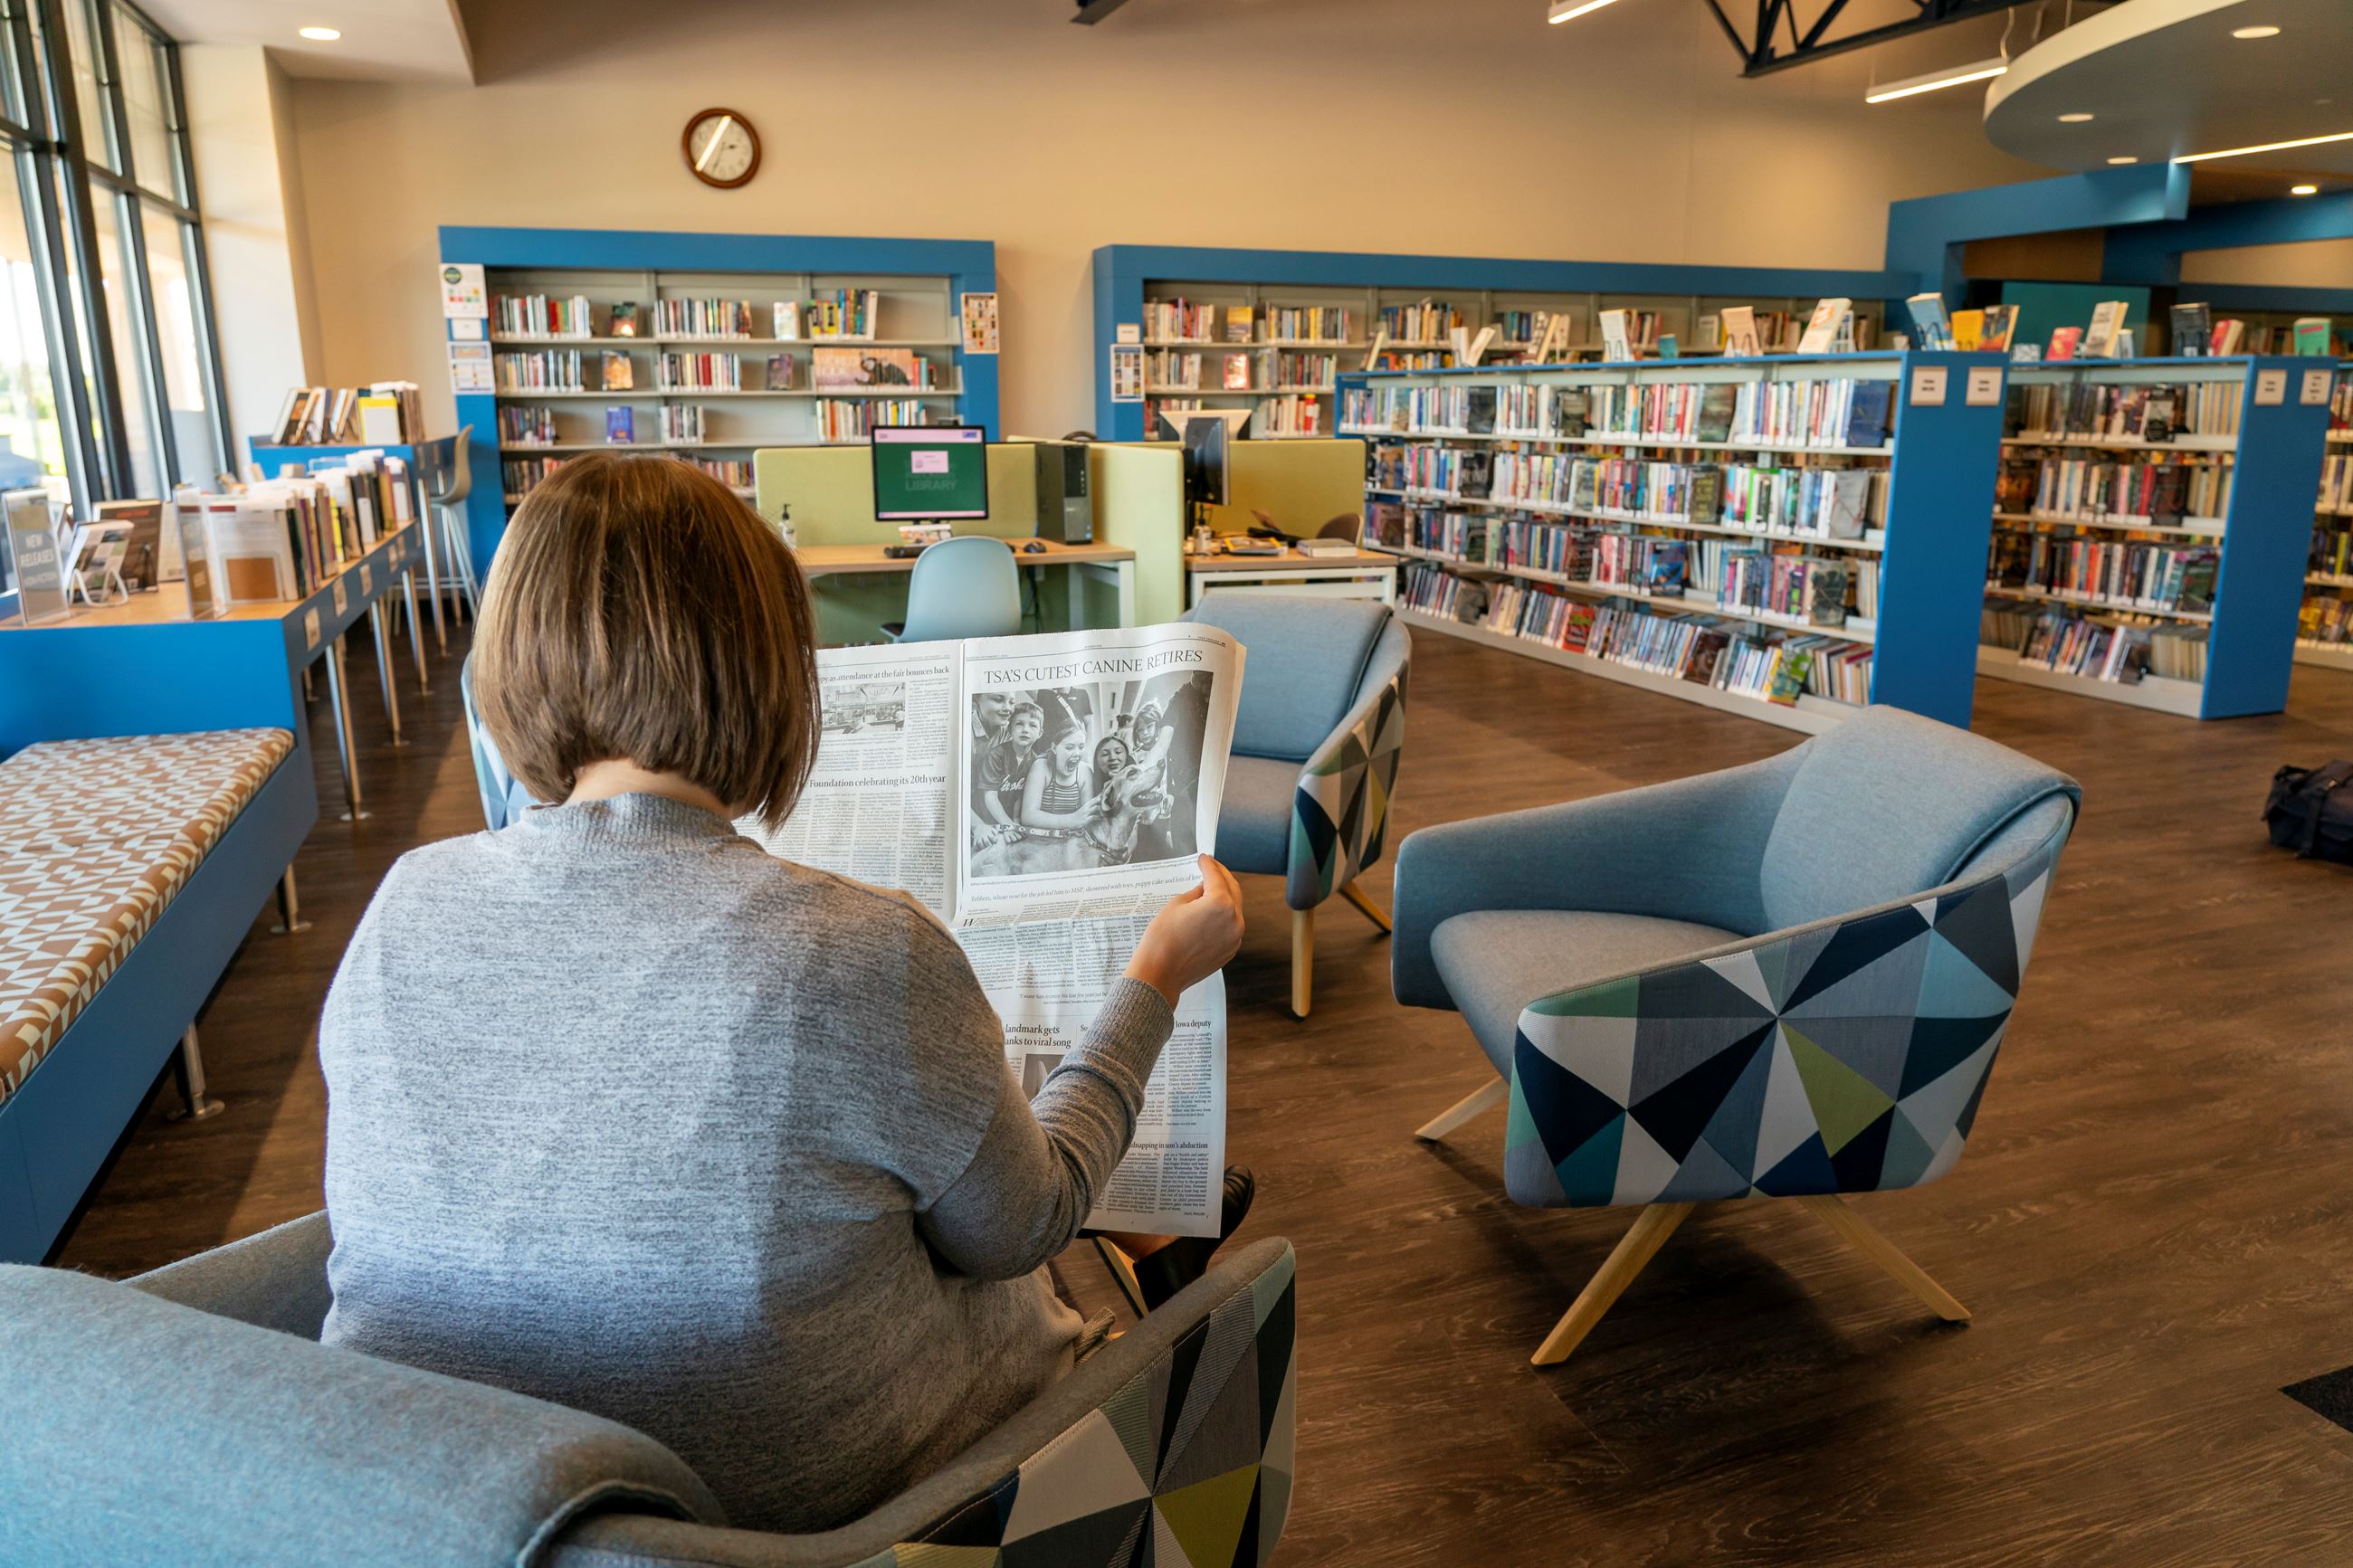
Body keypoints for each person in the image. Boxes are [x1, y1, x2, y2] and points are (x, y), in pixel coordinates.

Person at [315, 453, 1249, 1537]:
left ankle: (1154, 1237)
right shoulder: (857, 950)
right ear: (765, 665)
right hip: (836, 1521)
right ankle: (1162, 1246)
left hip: (448, 1503)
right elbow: (1023, 1226)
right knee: (1029, 1216)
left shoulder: (405, 898)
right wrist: (1154, 977)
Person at [1020, 720, 1103, 832]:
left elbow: (1085, 818)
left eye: (1081, 747)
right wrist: (1071, 820)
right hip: (1039, 840)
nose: (1077, 754)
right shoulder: (1041, 766)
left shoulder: (1084, 771)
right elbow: (1028, 816)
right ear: (1054, 748)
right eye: (1070, 747)